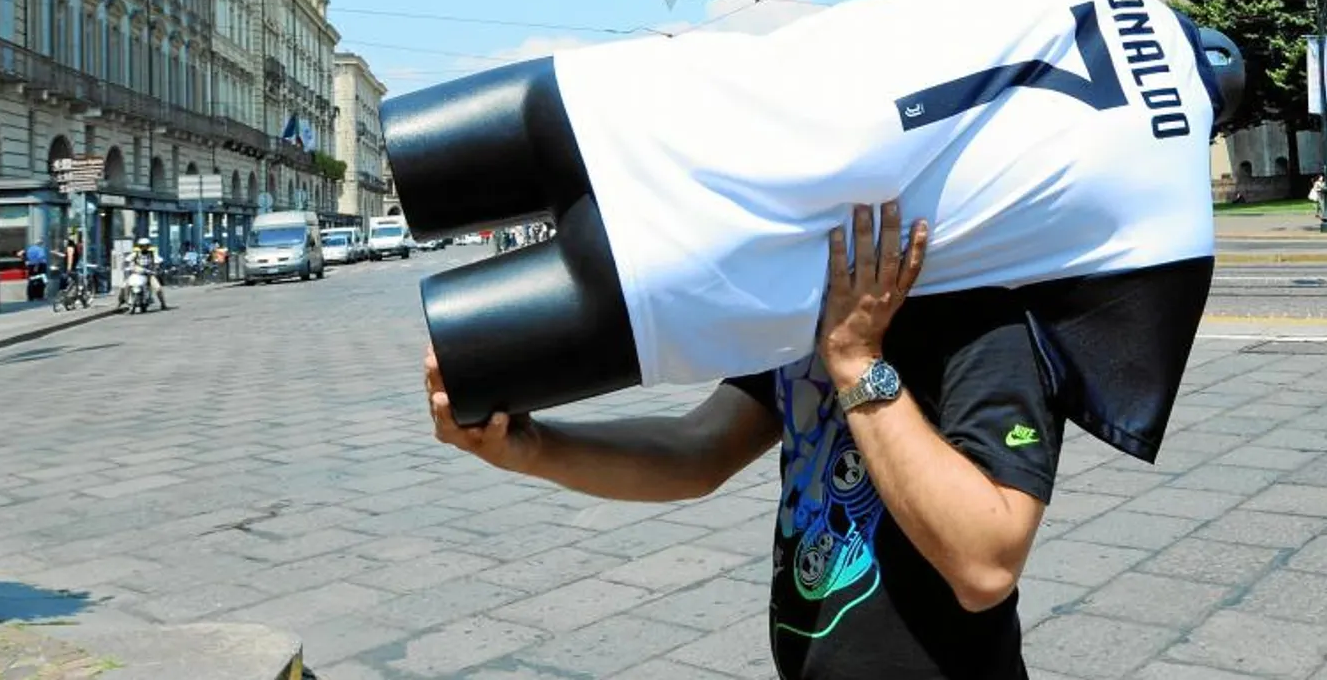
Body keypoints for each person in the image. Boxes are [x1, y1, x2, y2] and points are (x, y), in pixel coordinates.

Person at [426, 200, 1061, 679]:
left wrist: (855, 360)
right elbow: (699, 448)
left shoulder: (983, 312)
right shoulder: (821, 305)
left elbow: (986, 563)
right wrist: (531, 448)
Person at [126, 238, 169, 310]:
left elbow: (159, 261)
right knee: (125, 286)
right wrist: (128, 266)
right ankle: (125, 301)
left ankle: (163, 304)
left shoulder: (152, 254)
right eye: (142, 246)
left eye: (146, 246)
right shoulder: (135, 254)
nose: (144, 248)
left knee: (158, 288)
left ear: (149, 246)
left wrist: (157, 267)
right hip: (137, 274)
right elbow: (127, 260)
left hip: (149, 275)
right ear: (139, 246)